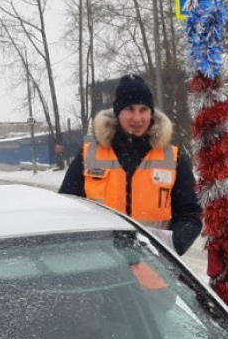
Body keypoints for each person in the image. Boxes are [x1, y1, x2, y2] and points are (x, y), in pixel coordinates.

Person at [59, 74, 202, 255]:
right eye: (130, 109)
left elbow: (190, 215)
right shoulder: (88, 155)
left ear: (151, 113)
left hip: (154, 264)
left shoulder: (174, 158)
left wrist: (171, 248)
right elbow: (66, 210)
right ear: (118, 112)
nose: (137, 118)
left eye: (143, 109)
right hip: (100, 262)